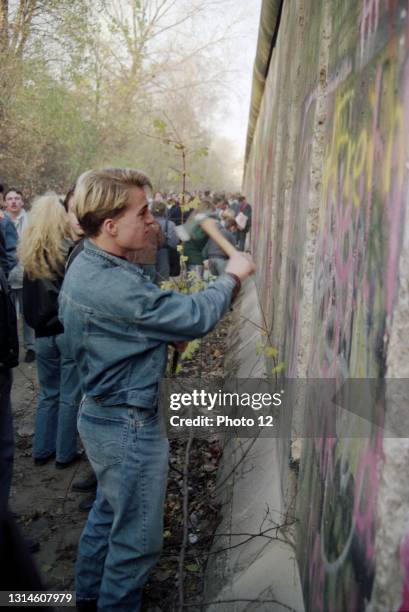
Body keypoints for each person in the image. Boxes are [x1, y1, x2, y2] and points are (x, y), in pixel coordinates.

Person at [59, 167, 255, 612]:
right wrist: (233, 276)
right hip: (127, 424)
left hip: (104, 413)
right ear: (110, 226)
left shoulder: (90, 260)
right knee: (136, 543)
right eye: (142, 212)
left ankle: (88, 598)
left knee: (108, 515)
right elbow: (193, 317)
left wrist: (153, 334)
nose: (152, 220)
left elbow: (125, 324)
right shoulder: (109, 283)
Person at [19, 193, 82, 467]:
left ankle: (42, 449)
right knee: (69, 395)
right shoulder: (69, 252)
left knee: (48, 393)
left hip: (43, 333)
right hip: (65, 330)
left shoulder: (30, 256)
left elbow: (29, 300)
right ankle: (64, 453)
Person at [5, 189, 36, 362]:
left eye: (17, 198)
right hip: (7, 275)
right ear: (5, 202)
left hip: (27, 272)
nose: (13, 202)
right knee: (7, 315)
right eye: (9, 199)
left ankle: (31, 347)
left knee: (27, 312)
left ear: (22, 202)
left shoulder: (31, 220)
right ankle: (9, 348)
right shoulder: (2, 219)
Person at [151, 200, 179, 283]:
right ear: (165, 210)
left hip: (148, 256)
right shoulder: (170, 224)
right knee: (162, 282)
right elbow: (174, 243)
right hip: (164, 256)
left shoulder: (147, 223)